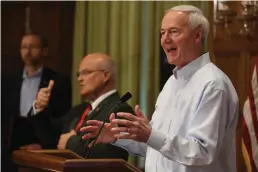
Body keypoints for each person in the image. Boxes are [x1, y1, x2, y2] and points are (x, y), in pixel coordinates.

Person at [80, 5, 239, 172]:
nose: (165, 40)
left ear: (197, 35)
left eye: (174, 32)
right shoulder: (171, 83)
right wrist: (118, 137)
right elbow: (156, 146)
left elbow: (202, 152)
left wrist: (149, 134)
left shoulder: (213, 84)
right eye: (162, 33)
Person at [35, 53, 134, 160]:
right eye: (78, 74)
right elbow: (51, 137)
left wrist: (70, 143)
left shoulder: (121, 110)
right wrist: (39, 108)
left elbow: (111, 153)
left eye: (86, 73)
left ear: (105, 76)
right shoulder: (80, 109)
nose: (79, 79)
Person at [2, 33, 71, 171]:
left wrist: (44, 144)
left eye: (32, 47)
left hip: (41, 144)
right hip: (9, 144)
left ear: (44, 51)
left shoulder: (58, 80)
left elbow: (61, 118)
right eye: (23, 47)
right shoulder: (7, 80)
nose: (27, 51)